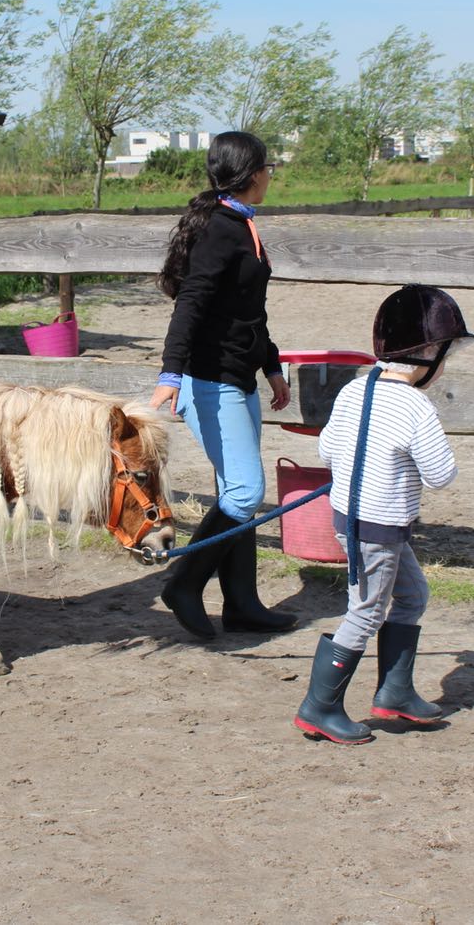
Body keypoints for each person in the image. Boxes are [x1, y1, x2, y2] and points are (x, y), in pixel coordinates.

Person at [292, 285, 474, 744]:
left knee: (412, 595)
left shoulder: (356, 389)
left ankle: (395, 691)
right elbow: (441, 474)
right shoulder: (416, 406)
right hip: (379, 527)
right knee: (367, 611)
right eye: (446, 355)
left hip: (352, 520)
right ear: (429, 354)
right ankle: (320, 707)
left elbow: (327, 447)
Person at [149, 131, 295, 638]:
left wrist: (271, 364)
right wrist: (170, 373)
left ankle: (242, 604)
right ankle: (183, 583)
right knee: (245, 490)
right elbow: (190, 302)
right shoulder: (221, 229)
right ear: (251, 173)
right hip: (209, 381)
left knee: (238, 490)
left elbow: (247, 309)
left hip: (239, 377)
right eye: (267, 167)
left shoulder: (241, 225)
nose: (271, 175)